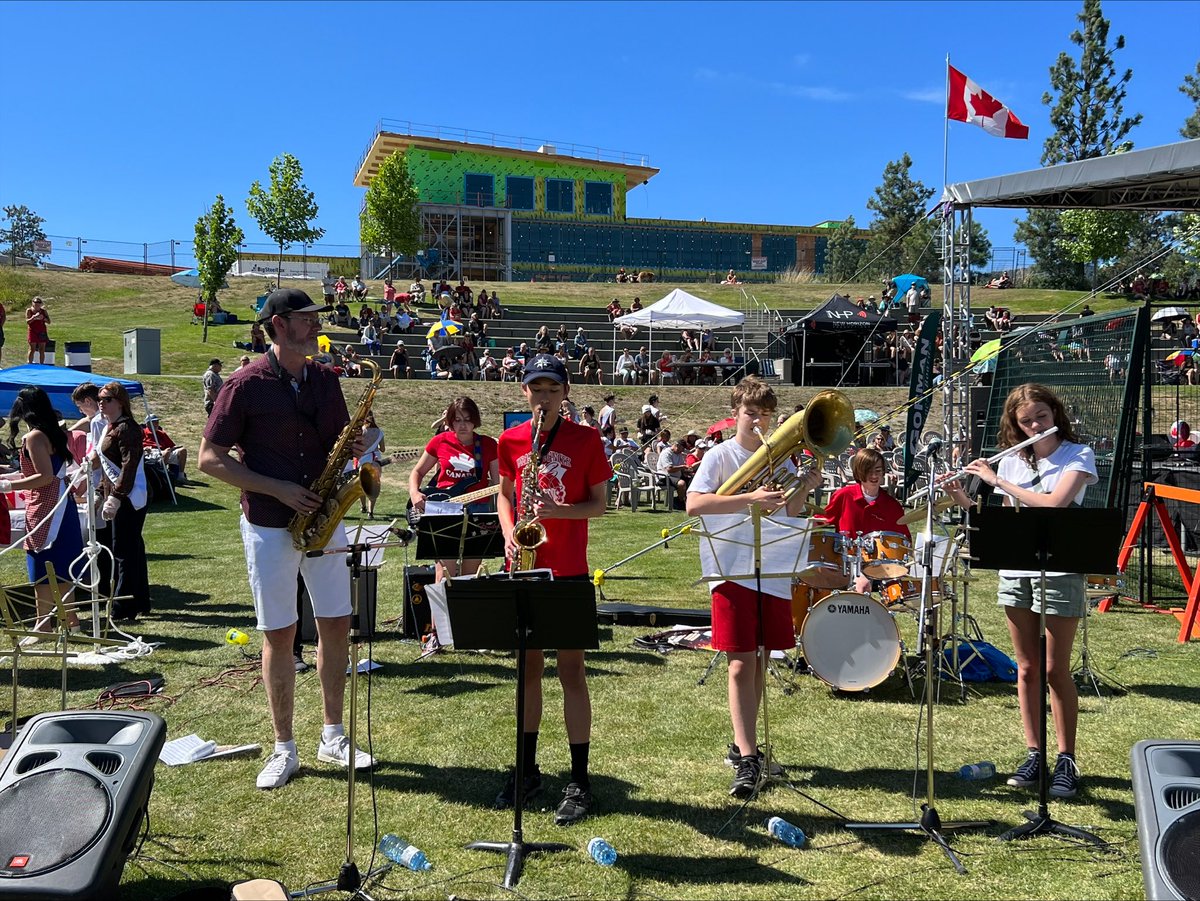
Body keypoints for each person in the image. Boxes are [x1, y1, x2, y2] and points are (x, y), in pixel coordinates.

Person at [199, 288, 375, 790]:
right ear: (277, 324)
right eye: (306, 318)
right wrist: (276, 487)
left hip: (324, 516)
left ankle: (333, 735)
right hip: (269, 521)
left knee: (337, 624)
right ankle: (284, 747)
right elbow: (209, 459)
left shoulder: (324, 379)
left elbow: (342, 440)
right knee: (279, 633)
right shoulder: (244, 384)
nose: (316, 325)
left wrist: (359, 444)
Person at [952, 383, 1098, 800]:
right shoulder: (1015, 461)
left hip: (1060, 570)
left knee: (1055, 669)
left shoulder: (1078, 455)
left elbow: (1052, 505)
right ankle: (1035, 754)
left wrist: (996, 478)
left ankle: (1066, 758)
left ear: (1055, 414)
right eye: (1026, 421)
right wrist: (963, 496)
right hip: (1017, 570)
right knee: (1027, 667)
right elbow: (1002, 521)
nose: (1035, 425)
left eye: (1041, 417)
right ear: (1015, 425)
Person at [686, 376, 822, 797]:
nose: (758, 421)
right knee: (741, 661)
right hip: (732, 568)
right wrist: (749, 499)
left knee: (762, 657)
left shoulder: (780, 461)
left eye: (764, 414)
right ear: (736, 414)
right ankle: (746, 756)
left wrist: (805, 486)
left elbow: (788, 510)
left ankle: (745, 744)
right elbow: (694, 503)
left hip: (772, 567)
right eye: (751, 414)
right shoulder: (721, 455)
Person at [495, 353, 611, 825]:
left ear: (565, 393)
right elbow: (505, 492)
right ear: (524, 391)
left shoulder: (586, 440)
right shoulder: (511, 439)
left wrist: (556, 512)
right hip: (524, 568)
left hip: (567, 570)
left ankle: (579, 779)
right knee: (527, 671)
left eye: (552, 389)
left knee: (572, 673)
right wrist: (507, 531)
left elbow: (599, 506)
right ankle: (527, 770)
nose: (543, 397)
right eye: (535, 389)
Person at [0, 386, 84, 644]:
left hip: (49, 508)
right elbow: (48, 472)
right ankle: (69, 622)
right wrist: (9, 477)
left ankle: (45, 625)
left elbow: (44, 476)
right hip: (60, 503)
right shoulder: (52, 432)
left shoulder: (35, 437)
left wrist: (9, 485)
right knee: (61, 566)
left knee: (42, 565)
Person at [95, 381, 152, 620]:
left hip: (128, 497)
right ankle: (138, 601)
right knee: (132, 550)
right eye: (100, 398)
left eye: (106, 399)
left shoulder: (127, 428)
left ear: (120, 401)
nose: (101, 403)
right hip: (117, 494)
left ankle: (123, 606)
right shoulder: (111, 426)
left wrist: (116, 497)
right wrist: (100, 491)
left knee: (124, 552)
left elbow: (129, 466)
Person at [820, 448, 911, 595]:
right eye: (869, 471)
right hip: (845, 563)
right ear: (859, 472)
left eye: (878, 470)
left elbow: (905, 542)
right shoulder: (844, 496)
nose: (874, 476)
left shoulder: (892, 505)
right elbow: (821, 521)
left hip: (879, 567)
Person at [26, 296, 50, 364]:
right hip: (33, 331)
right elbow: (27, 321)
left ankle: (41, 364)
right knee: (32, 349)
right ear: (32, 303)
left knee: (42, 349)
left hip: (42, 331)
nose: (37, 304)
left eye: (39, 303)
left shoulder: (43, 311)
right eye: (35, 302)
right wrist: (34, 317)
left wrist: (43, 318)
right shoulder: (29, 310)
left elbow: (49, 321)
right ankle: (29, 364)